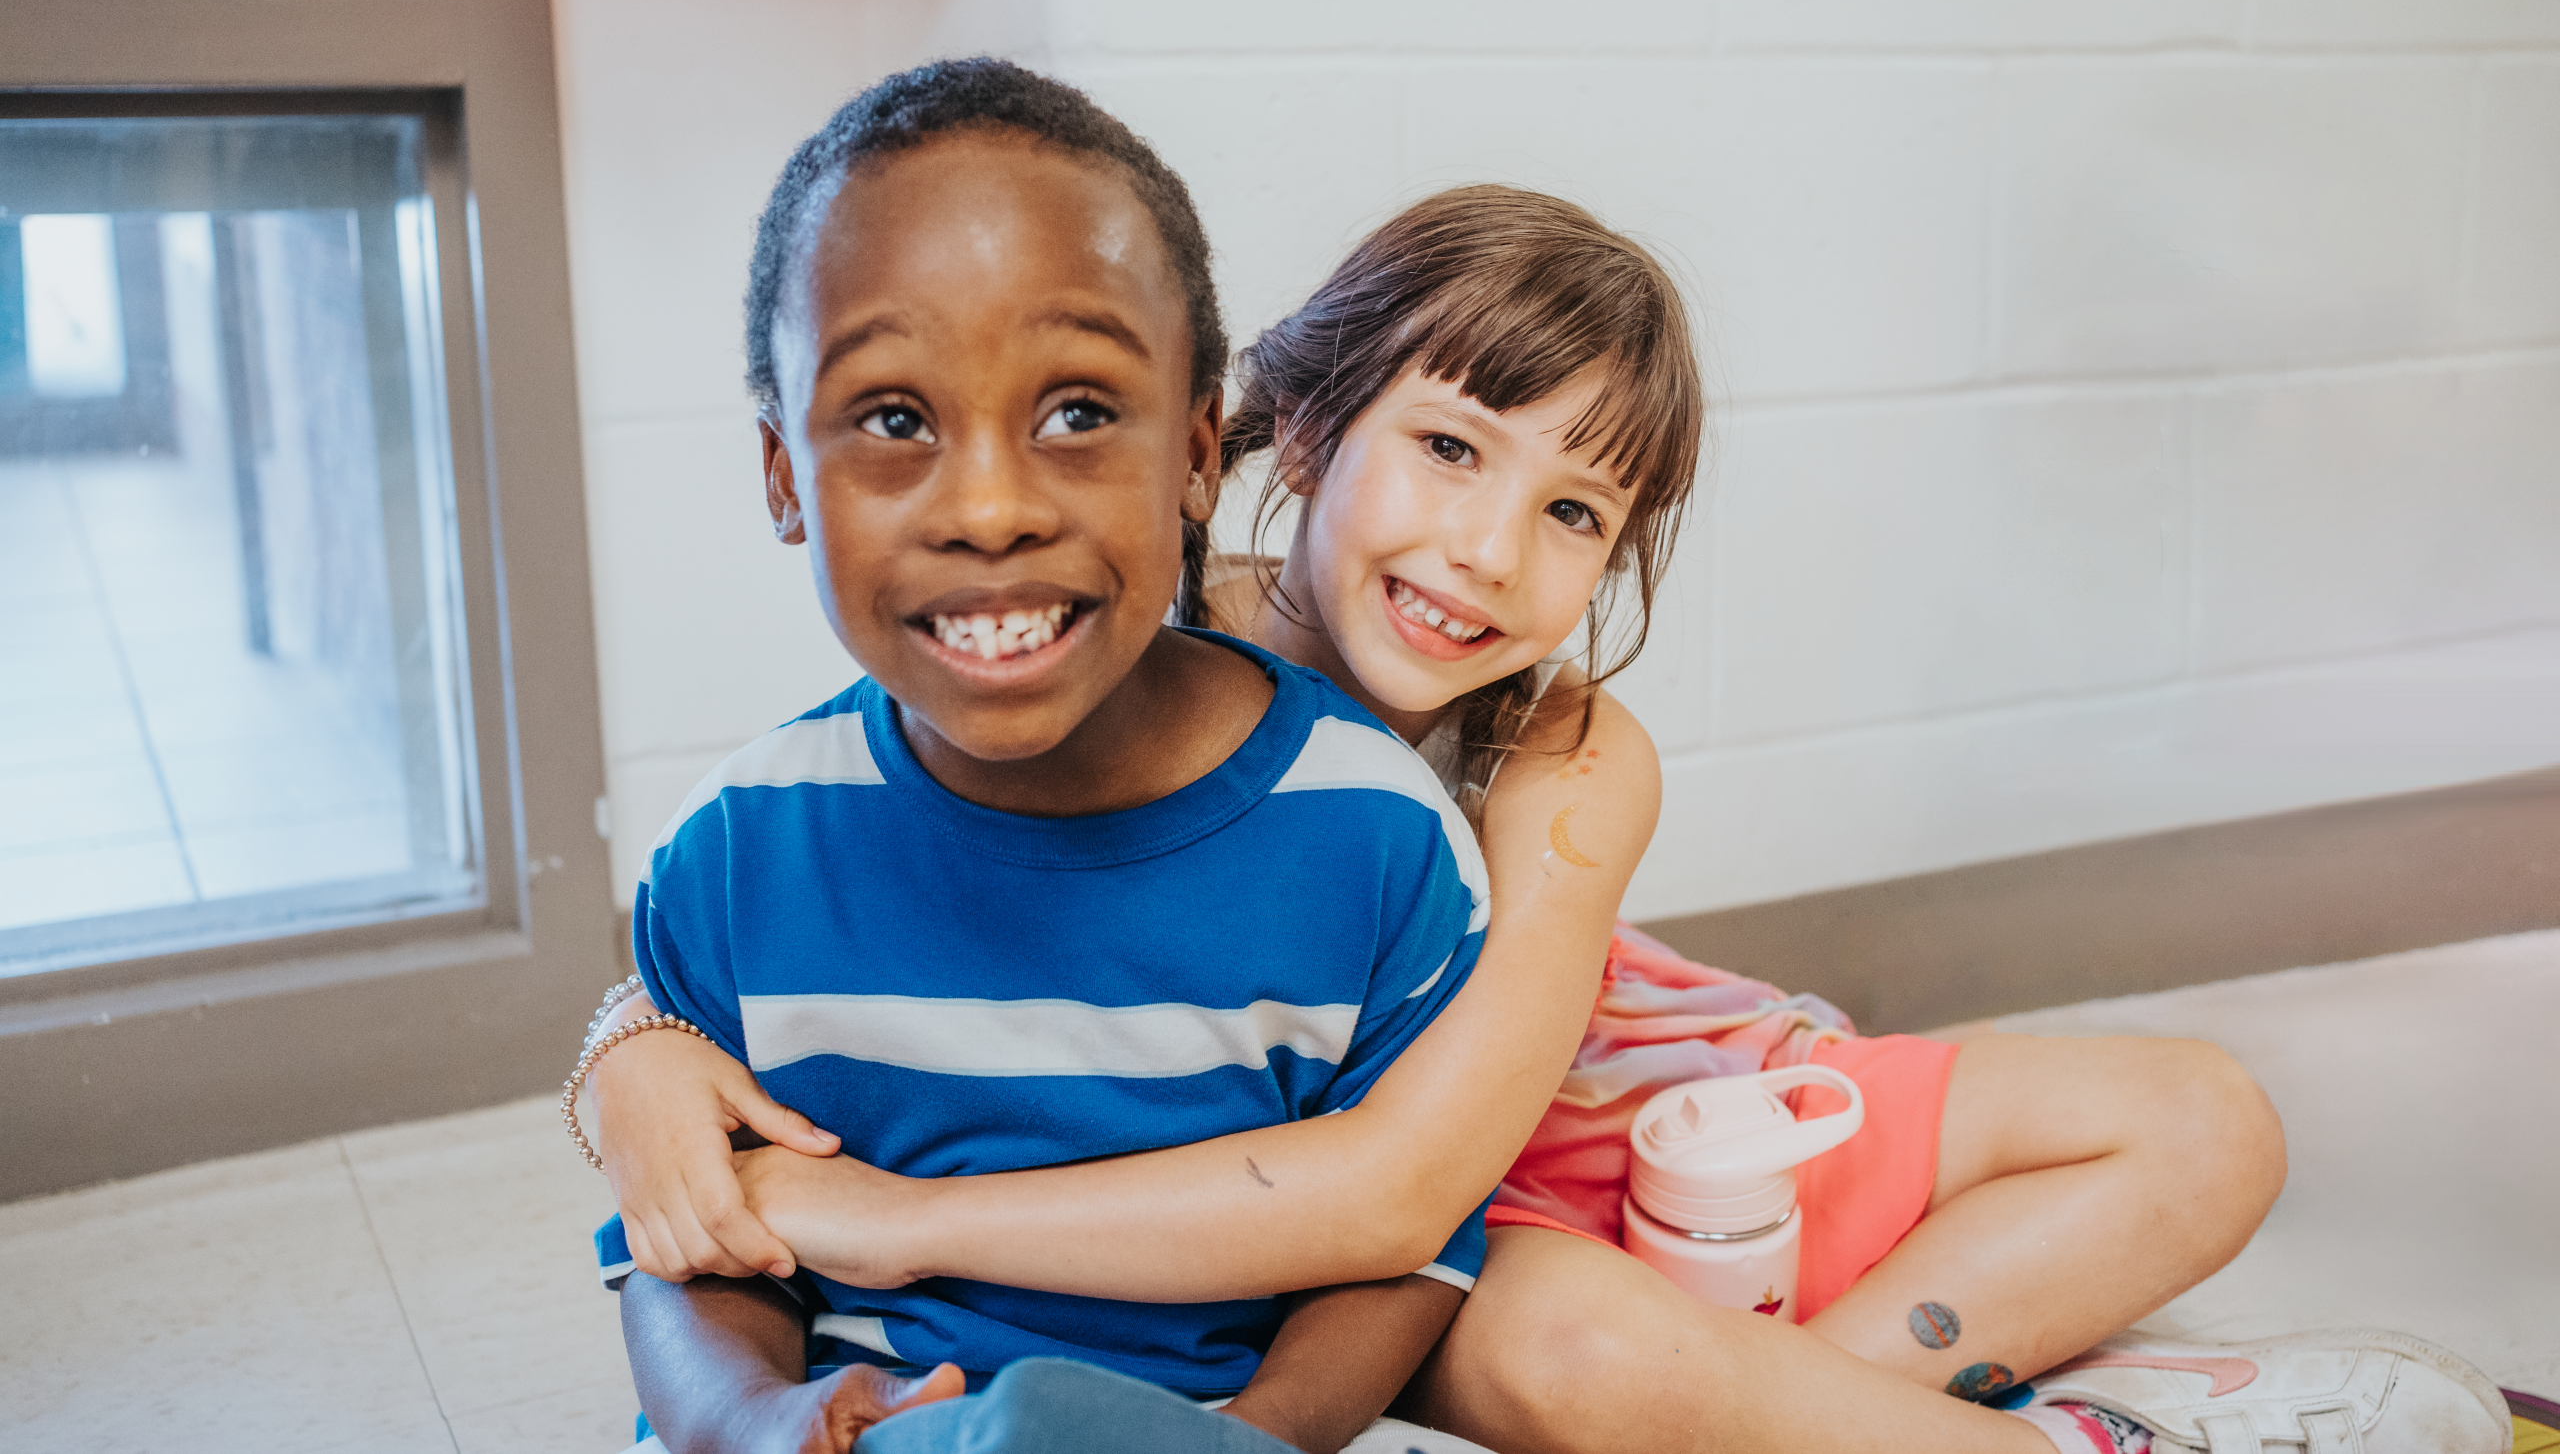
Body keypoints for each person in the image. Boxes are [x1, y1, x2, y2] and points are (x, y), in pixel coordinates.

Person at [579, 128, 2510, 1454]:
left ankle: (1829, 1413)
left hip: (1643, 1125)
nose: (1491, 552)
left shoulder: (1571, 752)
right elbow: (854, 848)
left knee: (2208, 1120)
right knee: (1585, 1343)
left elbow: (1420, 1157)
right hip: (1448, 1255)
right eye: (1447, 445)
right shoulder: (1140, 625)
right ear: (1287, 429)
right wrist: (625, 1047)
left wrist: (901, 1226)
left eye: (1574, 507)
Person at [591, 55, 1506, 1454]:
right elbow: (685, 1241)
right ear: (785, 474)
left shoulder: (1375, 837)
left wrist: (1256, 1434)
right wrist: (751, 1417)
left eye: (1077, 411)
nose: (993, 506)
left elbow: (1407, 1247)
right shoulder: (737, 852)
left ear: (1197, 452)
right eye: (895, 420)